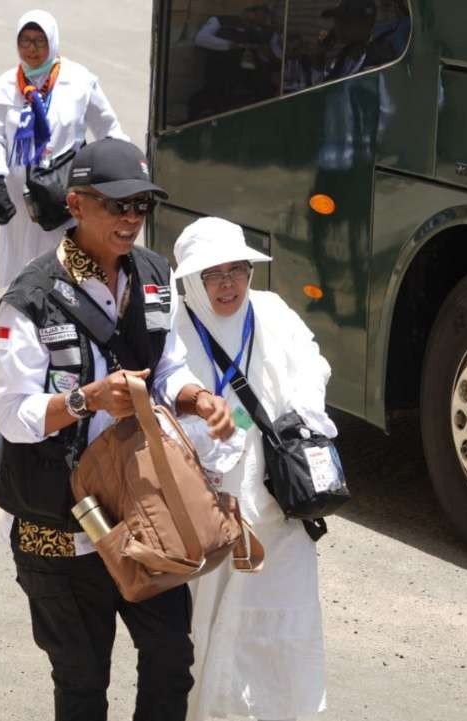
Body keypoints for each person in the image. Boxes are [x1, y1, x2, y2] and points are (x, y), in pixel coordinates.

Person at [0, 138, 236, 721]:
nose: (131, 219)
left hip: (146, 509)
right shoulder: (29, 299)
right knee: (81, 682)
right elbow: (14, 416)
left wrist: (198, 397)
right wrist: (86, 399)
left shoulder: (154, 275)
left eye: (140, 207)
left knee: (171, 660)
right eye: (116, 205)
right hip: (63, 519)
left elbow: (168, 364)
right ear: (77, 205)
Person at [171, 217, 338, 721]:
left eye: (238, 270)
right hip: (207, 509)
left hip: (276, 503)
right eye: (213, 275)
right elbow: (163, 400)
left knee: (280, 620)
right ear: (191, 282)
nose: (228, 285)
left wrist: (303, 412)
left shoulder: (271, 310)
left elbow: (312, 360)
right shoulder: (175, 326)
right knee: (210, 619)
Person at [0, 10, 128, 296]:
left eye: (39, 41)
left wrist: (125, 173)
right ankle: (22, 328)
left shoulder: (79, 82)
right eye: (25, 41)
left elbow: (109, 130)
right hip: (18, 202)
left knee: (64, 267)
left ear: (53, 42)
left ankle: (64, 333)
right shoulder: (6, 86)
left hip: (63, 198)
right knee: (21, 269)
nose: (32, 49)